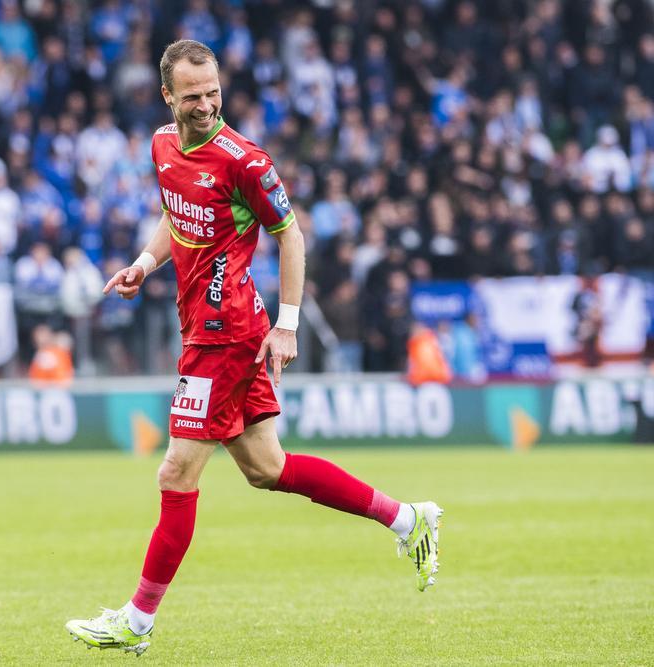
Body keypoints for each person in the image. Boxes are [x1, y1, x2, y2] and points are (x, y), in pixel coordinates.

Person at [65, 40, 443, 656]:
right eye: (193, 96)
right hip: (205, 328)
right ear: (168, 97)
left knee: (176, 471)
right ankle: (408, 519)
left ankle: (135, 624)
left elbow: (291, 238)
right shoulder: (164, 146)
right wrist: (143, 263)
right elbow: (176, 214)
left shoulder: (245, 161)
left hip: (227, 334)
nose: (207, 104)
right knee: (267, 468)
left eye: (213, 91)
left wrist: (287, 324)